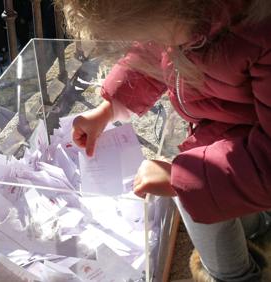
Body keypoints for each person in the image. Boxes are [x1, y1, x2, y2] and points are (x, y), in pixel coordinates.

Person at [59, 0, 271, 281]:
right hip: (229, 139)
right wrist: (107, 110)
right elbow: (149, 58)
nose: (156, 43)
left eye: (155, 35)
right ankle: (255, 220)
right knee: (201, 188)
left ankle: (234, 275)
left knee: (192, 191)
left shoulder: (261, 37)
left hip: (253, 154)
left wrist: (178, 178)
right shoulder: (183, 20)